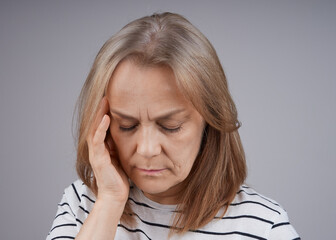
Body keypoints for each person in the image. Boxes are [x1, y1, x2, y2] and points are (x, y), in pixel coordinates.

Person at [46, 12, 300, 240]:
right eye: (126, 125)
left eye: (170, 126)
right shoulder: (83, 203)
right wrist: (110, 200)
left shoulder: (265, 227)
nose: (146, 149)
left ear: (210, 123)